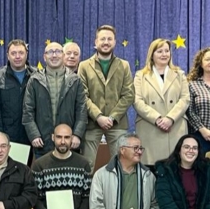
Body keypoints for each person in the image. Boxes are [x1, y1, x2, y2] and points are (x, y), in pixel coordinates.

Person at [78, 25, 135, 169]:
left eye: (109, 39)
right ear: (95, 42)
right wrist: (98, 116)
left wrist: (112, 117)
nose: (106, 42)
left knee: (122, 165)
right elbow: (82, 96)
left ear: (115, 42)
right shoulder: (84, 66)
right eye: (102, 38)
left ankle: (119, 191)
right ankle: (87, 192)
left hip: (117, 123)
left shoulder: (124, 65)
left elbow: (129, 94)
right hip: (92, 123)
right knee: (87, 165)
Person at [22, 42, 87, 157]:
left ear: (63, 55)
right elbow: (28, 111)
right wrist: (34, 135)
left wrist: (77, 134)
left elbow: (81, 110)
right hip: (42, 141)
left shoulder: (75, 80)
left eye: (58, 51)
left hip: (68, 143)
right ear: (44, 57)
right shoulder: (35, 80)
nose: (54, 55)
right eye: (50, 52)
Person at [133, 39, 190, 167]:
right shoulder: (140, 75)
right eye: (160, 51)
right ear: (152, 55)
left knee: (176, 170)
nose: (164, 54)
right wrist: (158, 119)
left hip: (175, 128)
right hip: (150, 128)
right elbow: (137, 101)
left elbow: (185, 98)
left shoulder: (179, 74)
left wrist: (170, 118)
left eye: (167, 51)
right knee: (151, 171)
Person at [0, 39, 36, 145]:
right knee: (11, 162)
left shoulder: (36, 75)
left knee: (33, 162)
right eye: (13, 53)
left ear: (26, 54)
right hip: (8, 135)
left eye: (21, 53)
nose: (17, 57)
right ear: (7, 55)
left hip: (32, 136)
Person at [187, 47, 210, 155]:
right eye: (207, 59)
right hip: (200, 137)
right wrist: (202, 129)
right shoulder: (192, 84)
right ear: (201, 63)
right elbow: (190, 111)